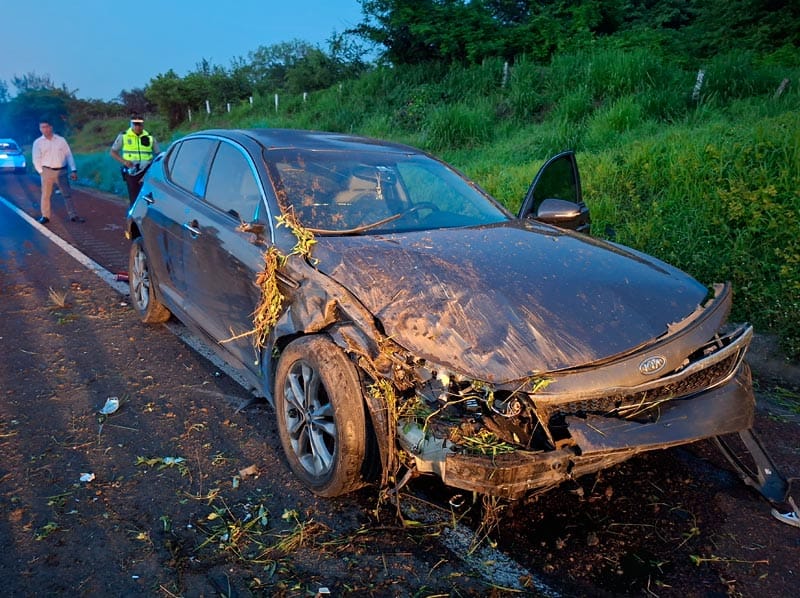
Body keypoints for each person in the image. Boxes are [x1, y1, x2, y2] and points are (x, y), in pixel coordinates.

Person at [31, 117, 84, 224]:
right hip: (47, 171)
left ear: (51, 127)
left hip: (62, 171)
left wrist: (73, 170)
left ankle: (73, 215)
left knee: (67, 194)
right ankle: (45, 216)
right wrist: (41, 172)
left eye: (46, 127)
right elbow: (36, 159)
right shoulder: (38, 142)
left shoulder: (61, 140)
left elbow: (69, 155)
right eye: (42, 127)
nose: (44, 129)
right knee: (46, 195)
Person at [110, 114, 161, 205]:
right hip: (132, 171)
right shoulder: (124, 136)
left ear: (143, 125)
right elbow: (113, 152)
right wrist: (124, 162)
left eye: (139, 124)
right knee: (134, 198)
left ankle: (147, 214)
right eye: (135, 124)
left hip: (147, 170)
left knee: (148, 196)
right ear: (131, 124)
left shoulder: (150, 137)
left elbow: (158, 154)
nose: (137, 126)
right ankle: (133, 217)